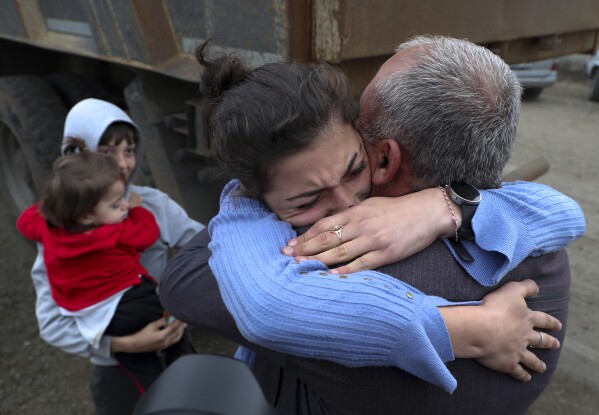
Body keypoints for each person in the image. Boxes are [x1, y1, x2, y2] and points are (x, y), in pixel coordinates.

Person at [159, 37, 585, 413]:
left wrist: (247, 202)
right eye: (308, 199)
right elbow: (566, 212)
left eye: (356, 162)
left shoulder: (334, 273)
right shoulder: (542, 252)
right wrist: (453, 208)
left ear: (385, 157)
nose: (344, 206)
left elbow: (186, 283)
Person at [30, 99, 205, 415]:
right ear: (77, 157)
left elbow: (207, 246)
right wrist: (122, 344)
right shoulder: (59, 231)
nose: (124, 164)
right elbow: (52, 325)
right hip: (116, 368)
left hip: (175, 345)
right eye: (107, 152)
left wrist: (185, 306)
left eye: (130, 150)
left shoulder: (151, 204)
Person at [17, 147, 193, 394]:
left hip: (95, 319)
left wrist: (59, 204)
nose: (123, 206)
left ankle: (155, 397)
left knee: (139, 367)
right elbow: (147, 233)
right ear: (88, 215)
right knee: (173, 314)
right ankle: (184, 366)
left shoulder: (48, 231)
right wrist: (137, 209)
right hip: (133, 302)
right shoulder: (113, 232)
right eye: (115, 204)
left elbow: (24, 221)